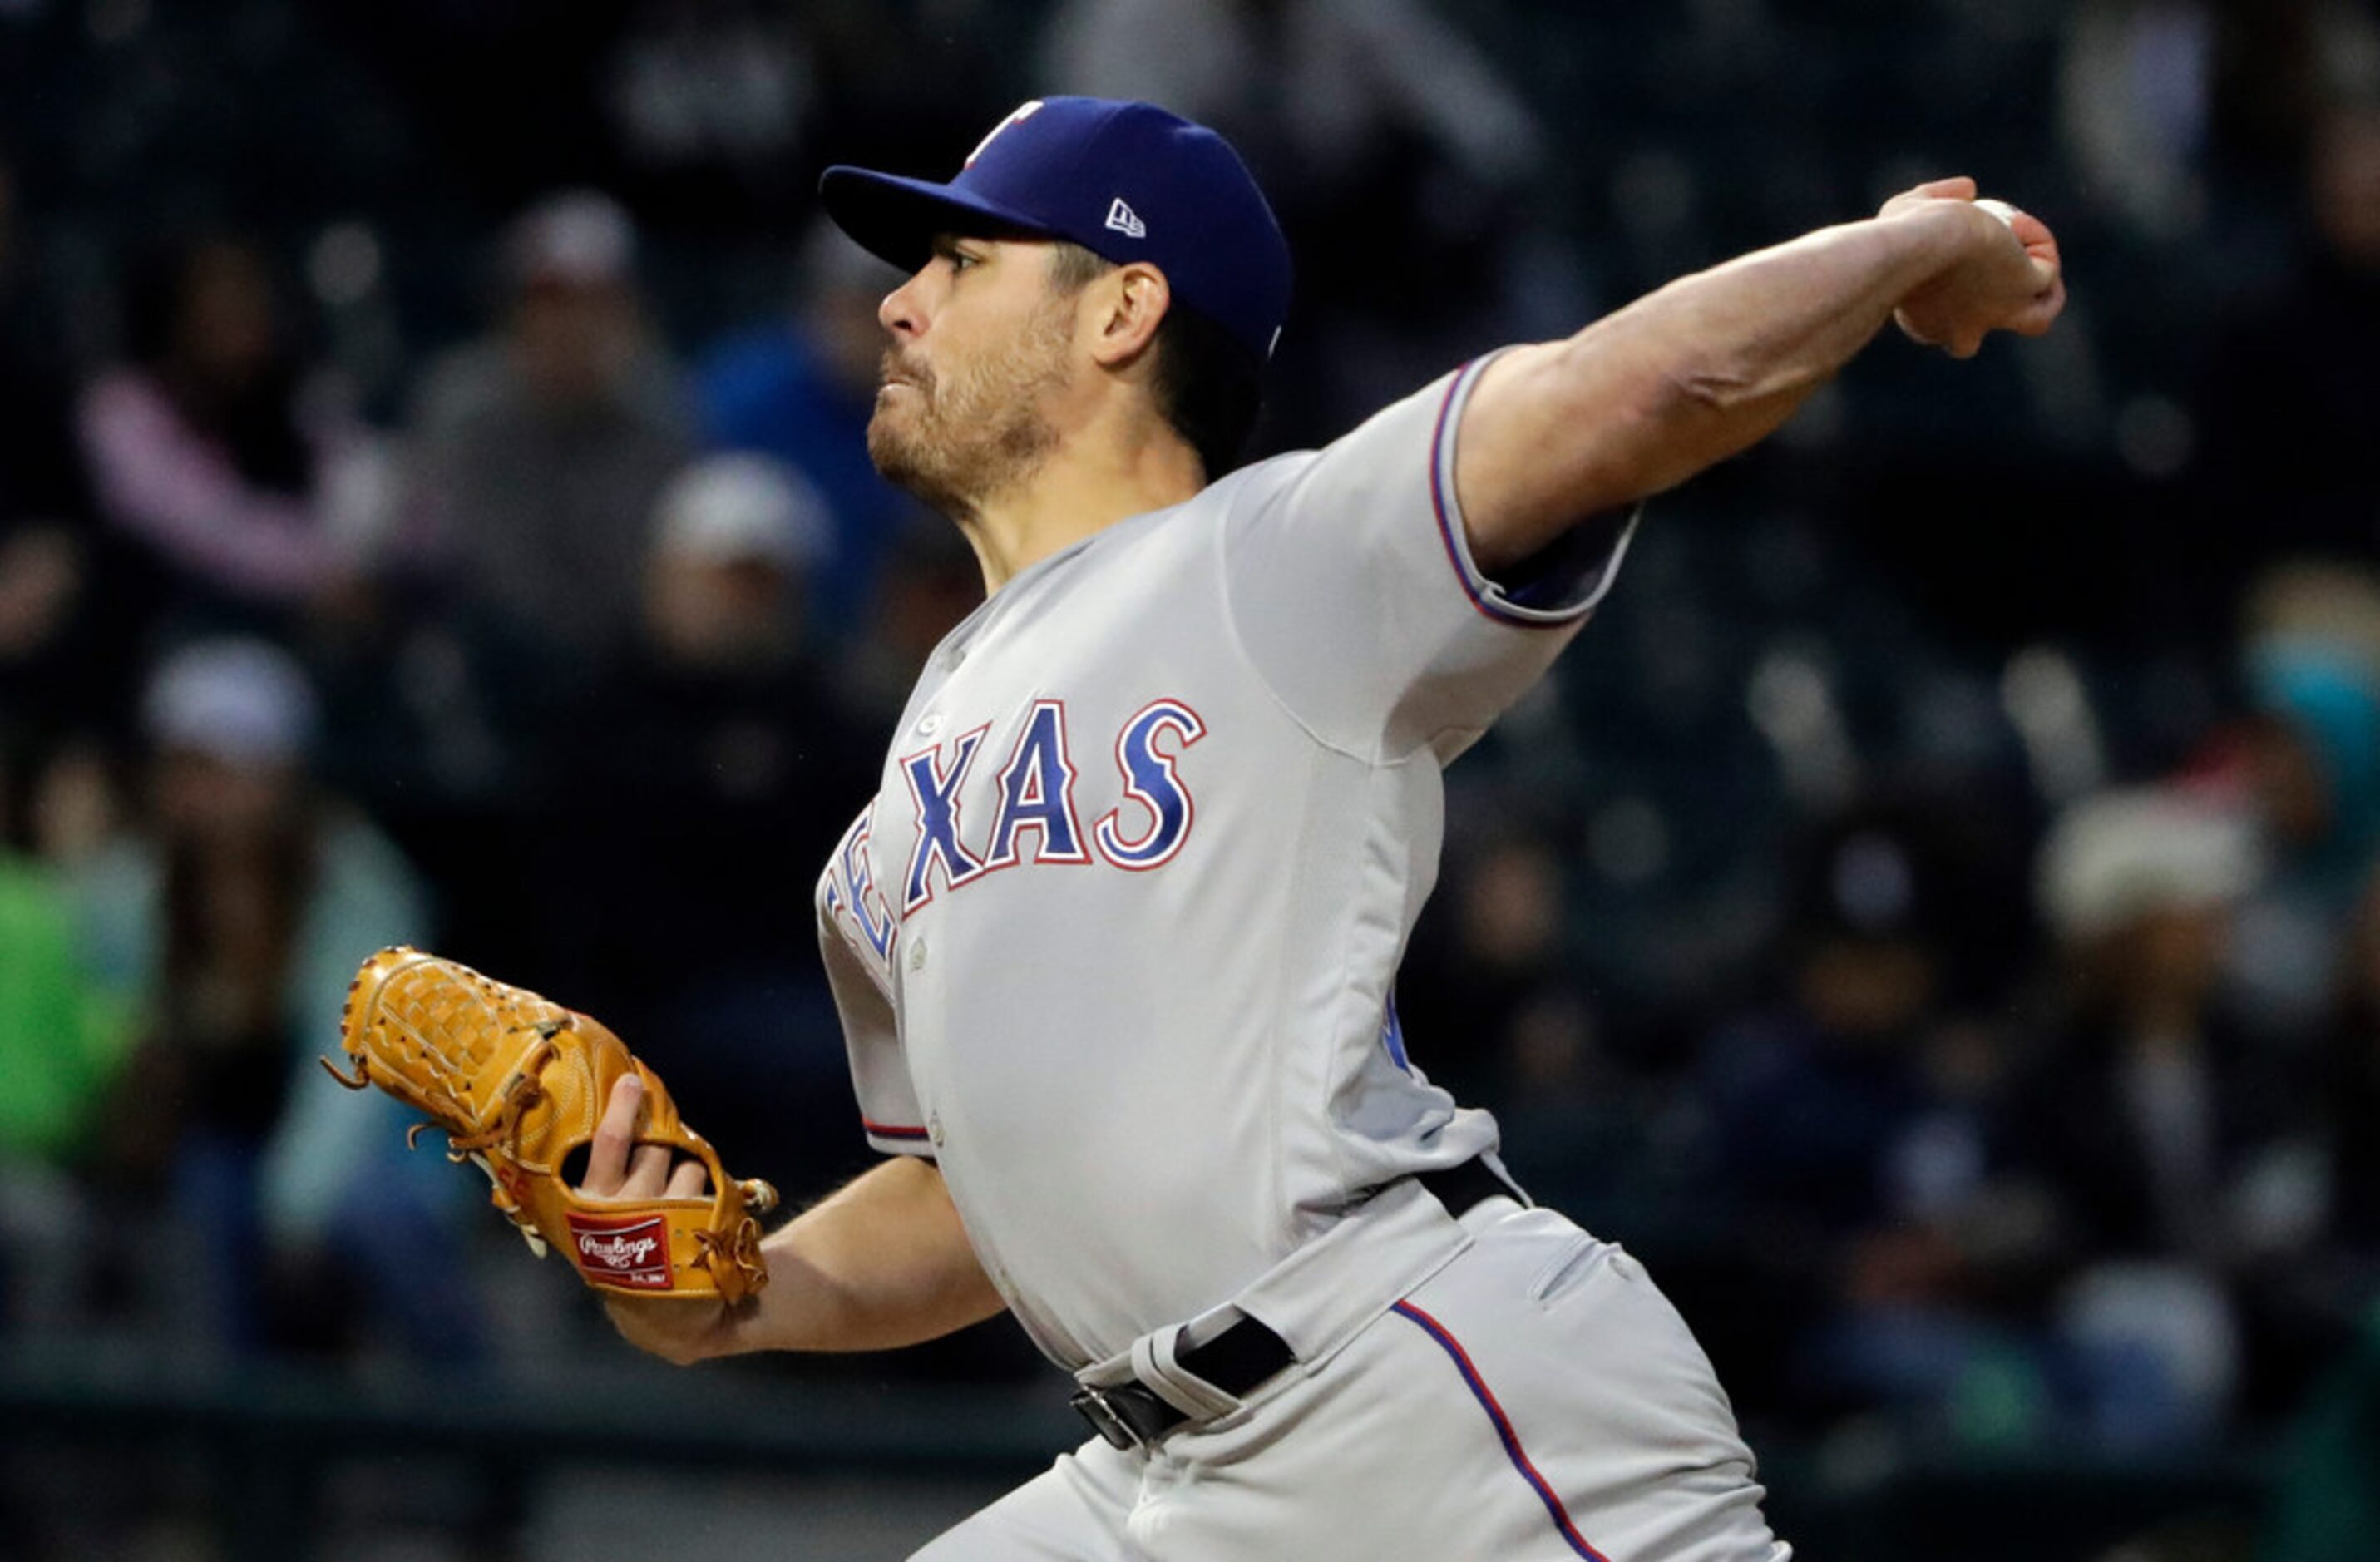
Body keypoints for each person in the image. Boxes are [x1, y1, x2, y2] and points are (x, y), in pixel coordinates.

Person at [579, 97, 2062, 1559]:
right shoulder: (918, 758)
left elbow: (1641, 390)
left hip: (1417, 1386)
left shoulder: (1268, 558)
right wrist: (740, 1292)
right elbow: (981, 1198)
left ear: (1122, 311)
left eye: (962, 261)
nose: (898, 304)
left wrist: (1909, 244)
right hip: (1168, 1467)